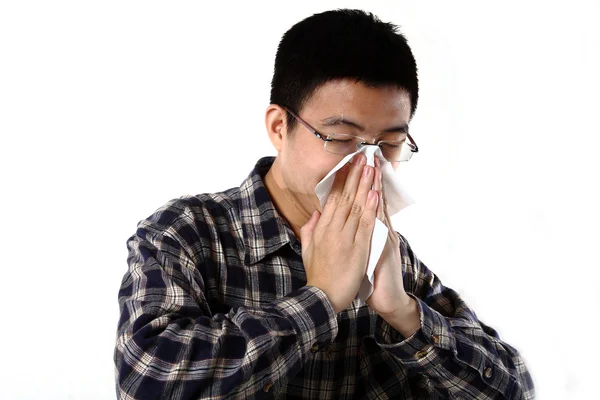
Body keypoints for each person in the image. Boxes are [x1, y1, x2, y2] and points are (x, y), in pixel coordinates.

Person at [114, 9, 535, 399]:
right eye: (340, 138)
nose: (366, 163)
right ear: (280, 127)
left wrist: (404, 312)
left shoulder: (390, 255)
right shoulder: (187, 232)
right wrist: (321, 300)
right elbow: (145, 380)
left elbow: (514, 388)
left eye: (389, 143)